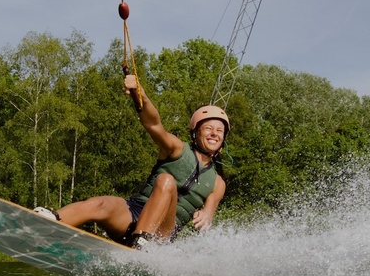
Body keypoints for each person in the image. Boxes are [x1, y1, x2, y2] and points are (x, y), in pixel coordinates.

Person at [35, 74, 227, 247]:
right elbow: (153, 123)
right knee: (100, 204)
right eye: (208, 128)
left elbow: (209, 212)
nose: (214, 134)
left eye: (219, 131)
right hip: (134, 212)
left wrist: (205, 216)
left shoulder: (218, 183)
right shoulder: (176, 148)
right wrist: (140, 95)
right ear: (195, 132)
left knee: (166, 181)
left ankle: (142, 244)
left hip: (162, 233)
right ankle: (50, 221)